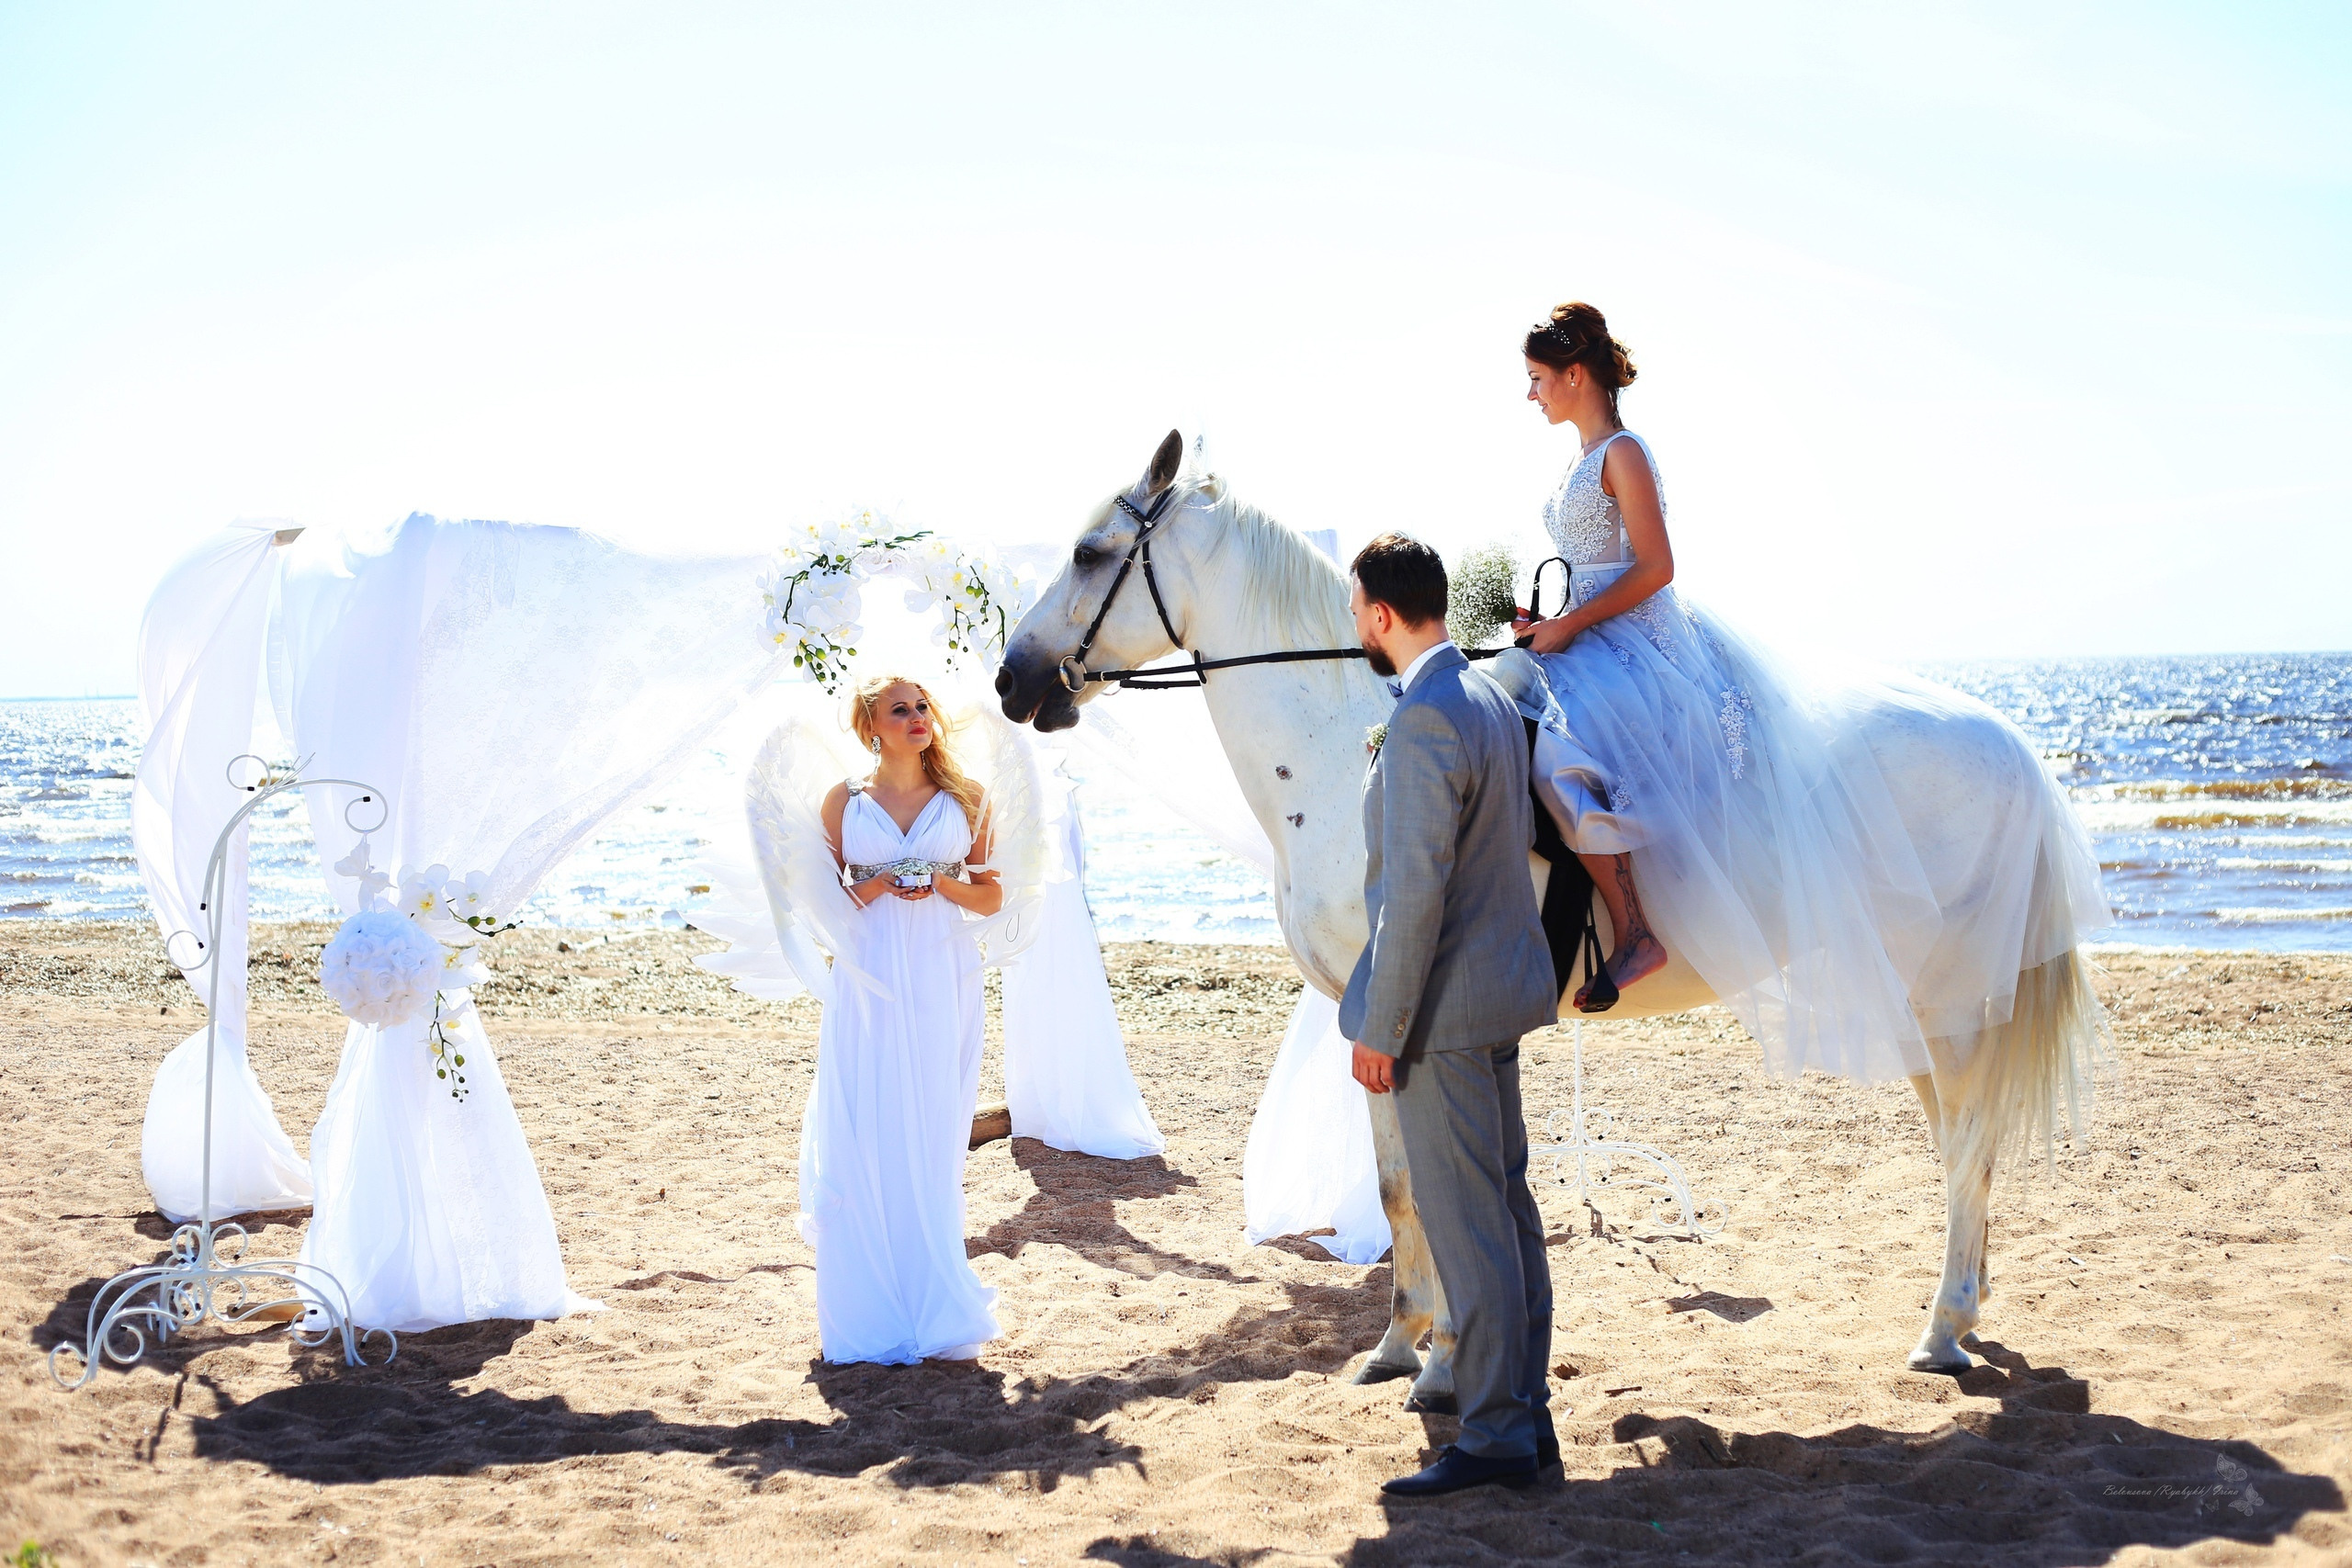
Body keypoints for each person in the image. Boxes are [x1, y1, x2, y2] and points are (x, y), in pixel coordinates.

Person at [1507, 301, 1954, 1081]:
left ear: (1576, 375)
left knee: (1566, 756)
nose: (1531, 394)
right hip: (1586, 631)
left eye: (1538, 379)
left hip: (1637, 642)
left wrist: (1572, 622)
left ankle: (1639, 929)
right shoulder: (1581, 458)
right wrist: (1545, 620)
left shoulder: (1623, 452)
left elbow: (1656, 568)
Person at [1339, 534, 1562, 1496]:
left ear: (1382, 616)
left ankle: (1501, 1434)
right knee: (1505, 1215)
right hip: (1501, 988)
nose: (1355, 625)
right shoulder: (1483, 694)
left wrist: (1380, 1031)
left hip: (1445, 1012)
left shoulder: (1427, 716)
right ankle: (1524, 1411)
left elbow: (1415, 896)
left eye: (1356, 610)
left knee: (1472, 1226)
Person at [801, 673, 1006, 1364]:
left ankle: (935, 1295)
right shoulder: (843, 803)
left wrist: (937, 882)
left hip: (939, 978)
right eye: (900, 709)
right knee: (869, 1125)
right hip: (867, 982)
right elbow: (822, 901)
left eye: (922, 706)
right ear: (871, 726)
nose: (917, 717)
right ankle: (868, 1310)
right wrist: (881, 882)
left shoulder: (967, 799)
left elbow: (991, 898)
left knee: (930, 1128)